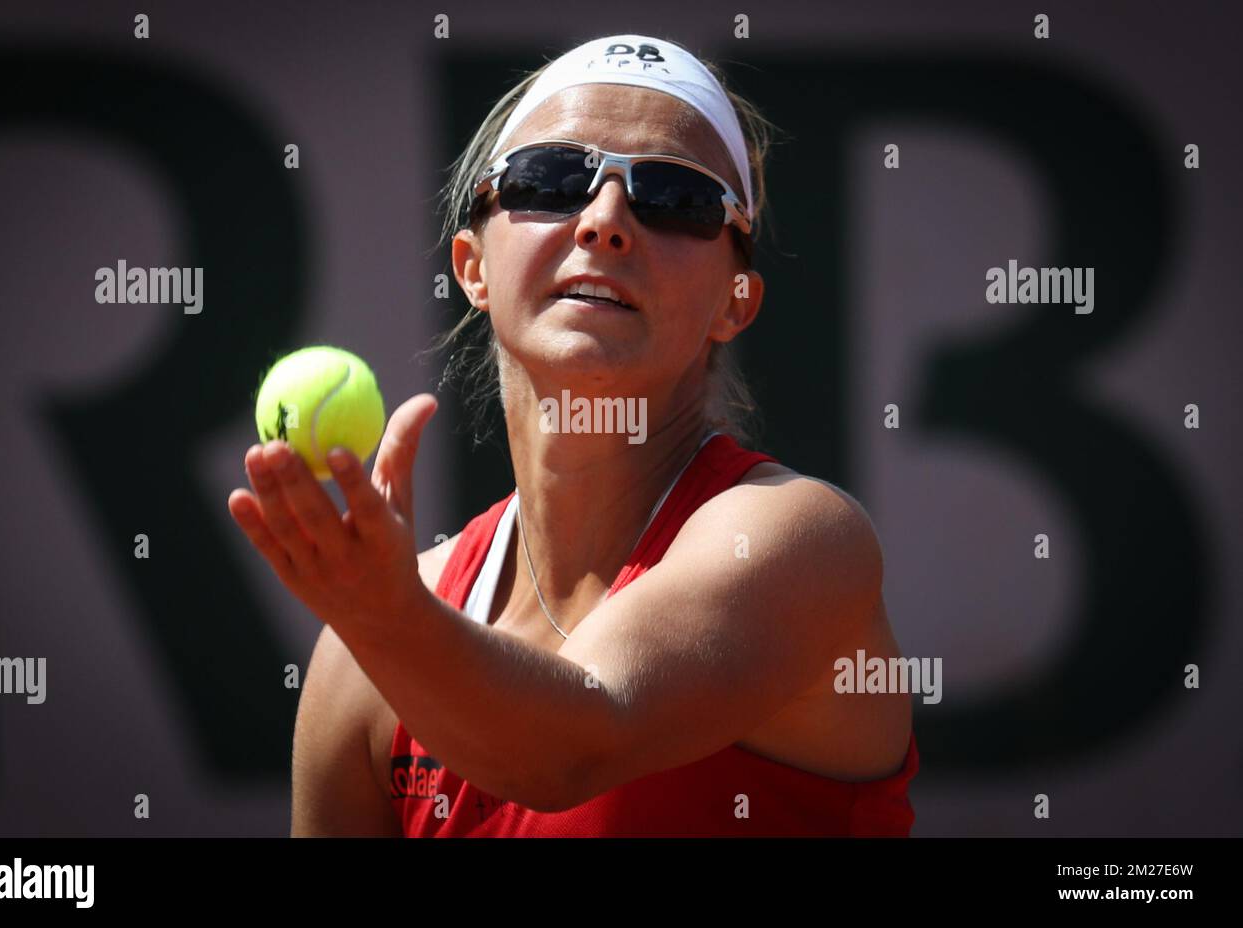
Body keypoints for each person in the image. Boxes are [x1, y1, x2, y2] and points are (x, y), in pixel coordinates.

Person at [228, 33, 918, 837]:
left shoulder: (797, 540)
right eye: (550, 179)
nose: (604, 221)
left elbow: (574, 746)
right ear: (472, 265)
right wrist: (382, 620)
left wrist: (386, 619)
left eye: (674, 197)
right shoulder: (361, 656)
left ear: (736, 299)